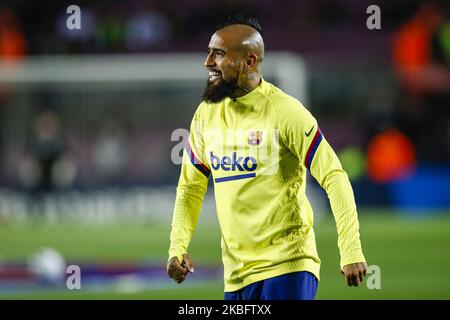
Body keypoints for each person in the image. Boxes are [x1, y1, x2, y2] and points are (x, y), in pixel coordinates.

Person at [167, 14, 367, 300]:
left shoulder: (285, 112)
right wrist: (177, 246)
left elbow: (334, 176)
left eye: (219, 53)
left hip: (287, 268)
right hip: (235, 276)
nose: (208, 62)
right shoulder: (205, 115)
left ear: (249, 62)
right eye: (209, 51)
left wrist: (350, 248)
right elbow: (191, 187)